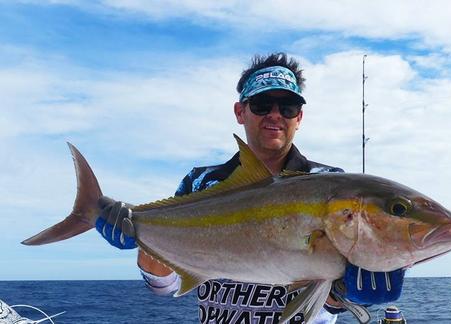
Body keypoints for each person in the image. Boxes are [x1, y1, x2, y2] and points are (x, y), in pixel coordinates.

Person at [97, 53, 405, 324]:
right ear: (240, 111)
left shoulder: (330, 184)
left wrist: (354, 293)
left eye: (287, 106)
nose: (275, 115)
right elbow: (165, 286)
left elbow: (329, 299)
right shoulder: (201, 183)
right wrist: (140, 237)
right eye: (261, 104)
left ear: (299, 117)